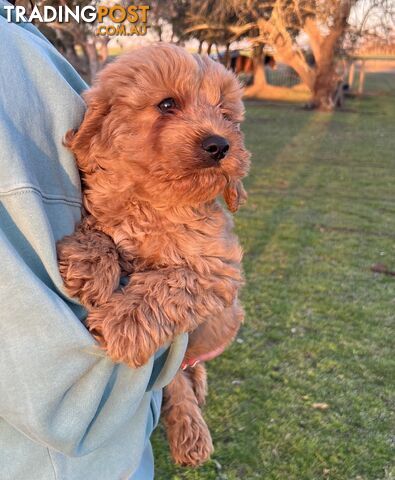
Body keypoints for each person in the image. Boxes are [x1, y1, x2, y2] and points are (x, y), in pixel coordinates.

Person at [0, 1, 187, 479]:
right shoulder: (15, 57)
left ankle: (186, 403)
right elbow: (69, 401)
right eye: (168, 107)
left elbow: (207, 277)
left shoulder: (25, 37)